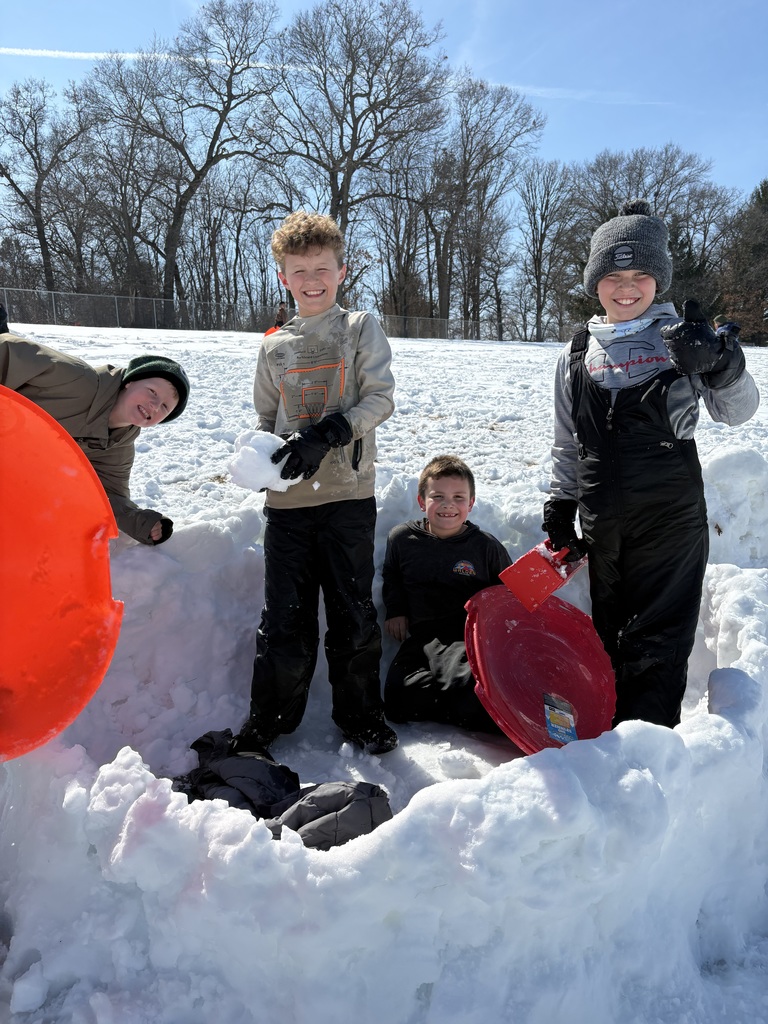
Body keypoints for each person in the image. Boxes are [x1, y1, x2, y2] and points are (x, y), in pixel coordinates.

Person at [542, 199, 760, 730]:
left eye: (640, 275)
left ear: (658, 281)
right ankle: (605, 742)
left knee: (658, 646)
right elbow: (568, 442)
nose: (627, 288)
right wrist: (560, 504)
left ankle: (650, 753)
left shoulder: (681, 340)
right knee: (609, 640)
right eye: (613, 276)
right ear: (595, 283)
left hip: (670, 523)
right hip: (602, 525)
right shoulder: (577, 352)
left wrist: (723, 364)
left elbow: (738, 412)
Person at [235, 211, 397, 755]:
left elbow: (380, 399)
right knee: (284, 618)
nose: (311, 280)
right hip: (288, 504)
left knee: (353, 613)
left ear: (341, 271)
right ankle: (269, 721)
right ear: (283, 277)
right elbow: (266, 419)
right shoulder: (272, 347)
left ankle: (361, 717)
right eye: (299, 270)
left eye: (322, 268)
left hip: (349, 496)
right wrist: (261, 459)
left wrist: (329, 433)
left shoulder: (359, 328)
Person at [0, 335, 190, 544]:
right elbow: (7, 350)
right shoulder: (74, 379)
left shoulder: (118, 447)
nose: (154, 405)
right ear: (131, 381)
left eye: (165, 407)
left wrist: (140, 522)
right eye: (152, 391)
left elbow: (108, 496)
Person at [383, 455, 511, 732]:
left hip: (464, 639)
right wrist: (396, 610)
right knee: (397, 697)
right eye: (437, 496)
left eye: (458, 497)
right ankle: (462, 703)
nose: (448, 505)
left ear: (471, 503)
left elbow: (507, 593)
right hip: (423, 639)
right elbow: (392, 576)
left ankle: (485, 704)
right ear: (421, 501)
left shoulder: (486, 547)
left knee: (468, 687)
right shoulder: (402, 539)